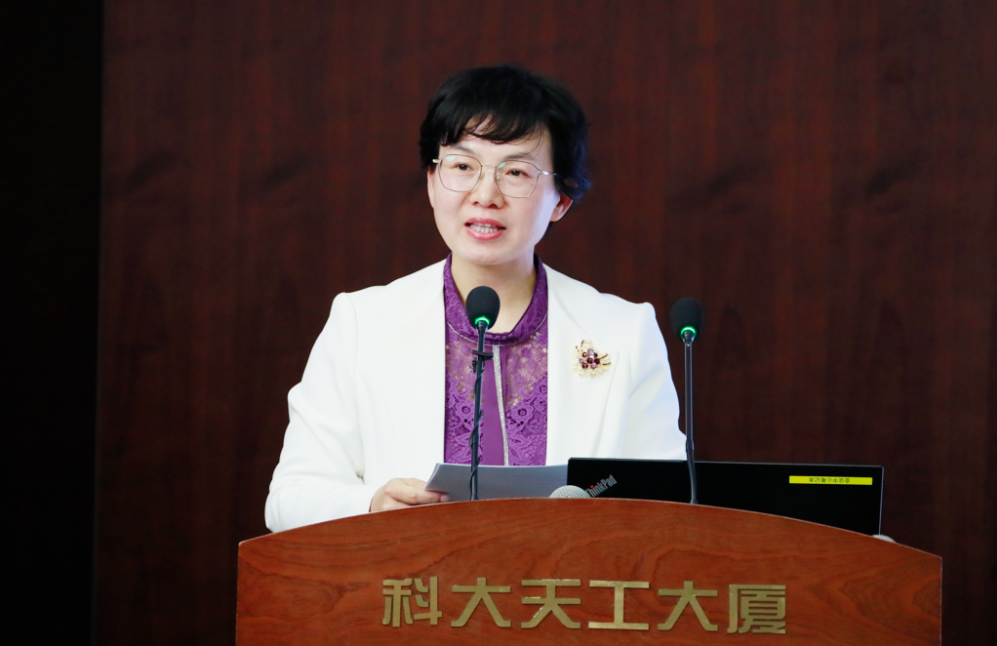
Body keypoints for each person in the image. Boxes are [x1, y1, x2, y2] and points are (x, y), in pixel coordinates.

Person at [265, 64, 685, 532]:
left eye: (516, 172)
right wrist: (372, 504)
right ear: (431, 180)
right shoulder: (362, 322)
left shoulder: (624, 332)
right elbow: (289, 500)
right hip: (410, 578)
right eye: (463, 166)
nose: (485, 195)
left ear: (561, 199)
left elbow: (668, 504)